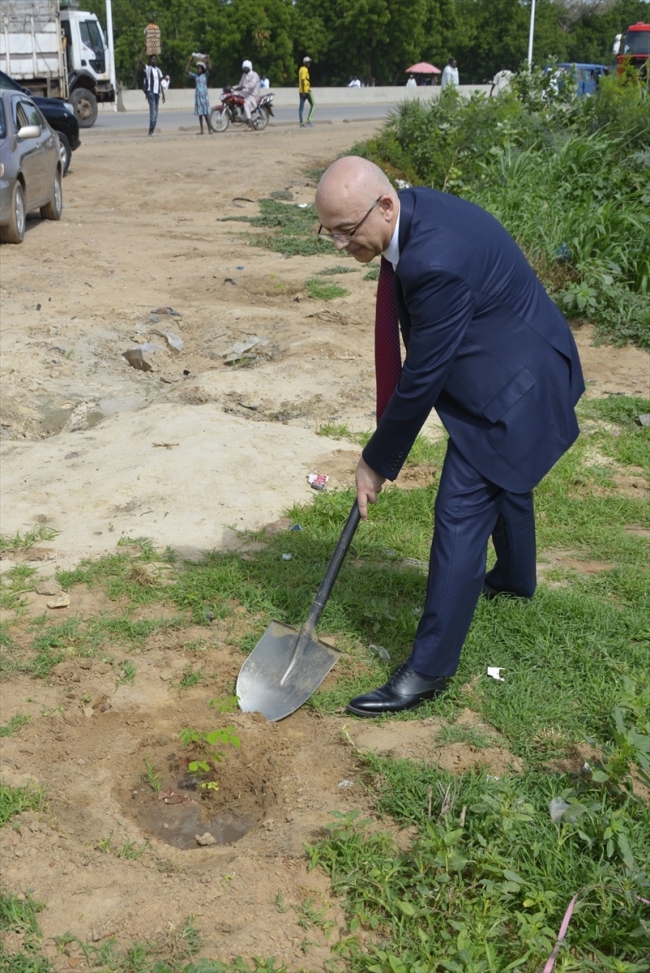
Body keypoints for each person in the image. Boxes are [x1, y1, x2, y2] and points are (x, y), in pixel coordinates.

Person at [314, 156, 584, 716]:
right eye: (330, 232)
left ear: (385, 206)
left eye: (346, 231)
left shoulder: (434, 260)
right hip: (511, 361)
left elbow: (422, 377)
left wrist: (376, 461)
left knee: (461, 509)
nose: (340, 246)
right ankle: (514, 578)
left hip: (521, 386)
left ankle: (428, 670)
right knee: (503, 475)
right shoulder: (412, 217)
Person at [185, 54, 212, 134]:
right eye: (197, 68)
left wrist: (208, 60)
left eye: (200, 68)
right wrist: (190, 61)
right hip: (198, 97)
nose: (198, 69)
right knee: (200, 115)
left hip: (204, 97)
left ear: (202, 69)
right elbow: (186, 71)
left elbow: (210, 68)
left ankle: (209, 129)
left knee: (205, 114)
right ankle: (202, 130)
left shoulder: (205, 75)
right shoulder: (195, 76)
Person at [142, 53, 166, 136]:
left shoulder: (159, 70)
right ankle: (151, 130)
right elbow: (140, 61)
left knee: (156, 112)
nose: (154, 60)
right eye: (152, 59)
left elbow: (161, 82)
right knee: (153, 111)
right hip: (150, 92)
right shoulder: (148, 69)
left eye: (155, 59)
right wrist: (143, 51)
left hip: (157, 93)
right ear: (150, 60)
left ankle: (152, 129)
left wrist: (163, 94)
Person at [233, 59, 260, 131]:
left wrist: (244, 87)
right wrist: (232, 87)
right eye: (244, 68)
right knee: (234, 94)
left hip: (252, 95)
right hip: (245, 93)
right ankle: (237, 112)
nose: (245, 69)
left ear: (250, 67)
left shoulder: (254, 75)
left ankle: (250, 125)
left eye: (246, 68)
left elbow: (252, 85)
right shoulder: (243, 75)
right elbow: (240, 85)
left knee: (245, 104)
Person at [298, 56, 315, 127]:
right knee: (313, 104)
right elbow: (302, 80)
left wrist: (302, 91)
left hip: (301, 91)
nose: (309, 63)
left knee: (301, 107)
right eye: (308, 62)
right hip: (306, 90)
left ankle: (301, 123)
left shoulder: (300, 69)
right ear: (305, 63)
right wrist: (304, 92)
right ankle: (309, 120)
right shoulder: (305, 70)